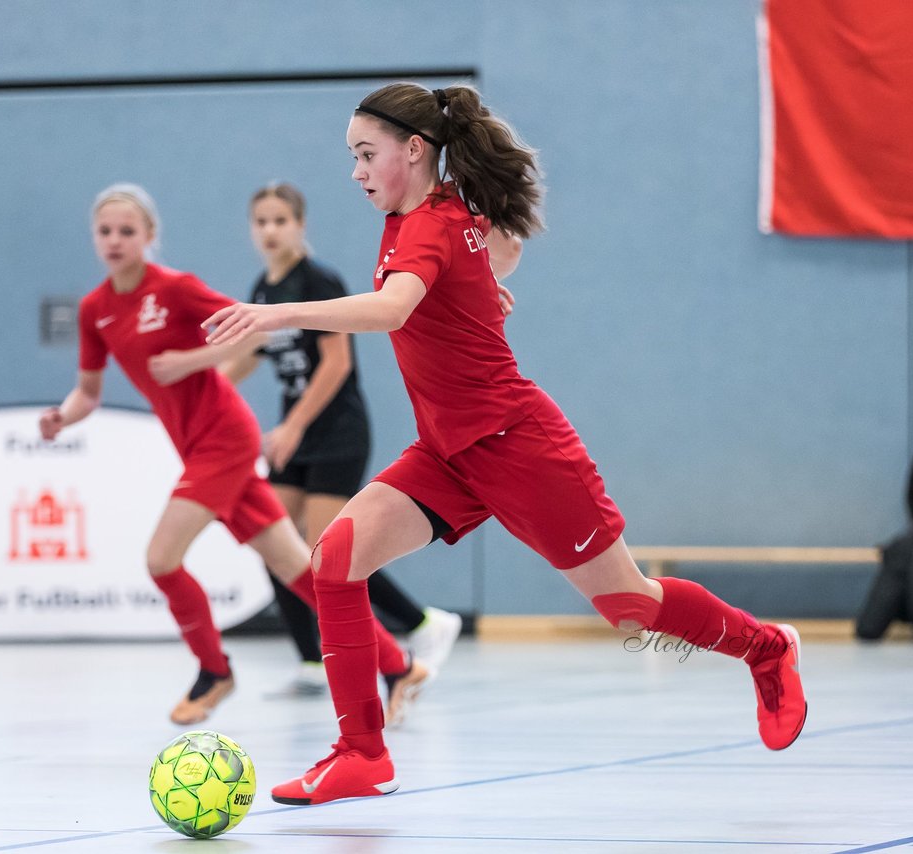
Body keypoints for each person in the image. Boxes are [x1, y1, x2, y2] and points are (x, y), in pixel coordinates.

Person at [204, 82, 807, 806]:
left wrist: (277, 314)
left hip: (519, 445)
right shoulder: (421, 213)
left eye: (367, 155)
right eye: (353, 157)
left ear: (415, 150)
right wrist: (474, 286)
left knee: (629, 606)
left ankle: (766, 648)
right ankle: (361, 753)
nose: (357, 172)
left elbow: (395, 306)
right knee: (334, 560)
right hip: (448, 453)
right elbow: (504, 254)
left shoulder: (426, 223)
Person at [40, 183, 427, 727]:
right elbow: (88, 391)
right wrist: (64, 415)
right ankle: (397, 663)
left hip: (224, 437)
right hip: (194, 443)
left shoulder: (173, 288)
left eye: (128, 231)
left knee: (161, 558)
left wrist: (192, 361)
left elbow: (251, 333)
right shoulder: (95, 309)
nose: (115, 241)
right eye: (105, 232)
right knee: (296, 566)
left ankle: (214, 670)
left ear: (150, 236)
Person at [220, 182, 462, 696]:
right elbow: (251, 355)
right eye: (260, 221)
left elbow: (336, 365)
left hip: (334, 431)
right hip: (296, 435)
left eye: (280, 220)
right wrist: (207, 387)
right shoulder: (264, 288)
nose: (269, 231)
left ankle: (420, 624)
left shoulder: (319, 278)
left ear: (300, 225)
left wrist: (292, 425)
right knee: (276, 542)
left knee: (325, 550)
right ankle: (310, 660)